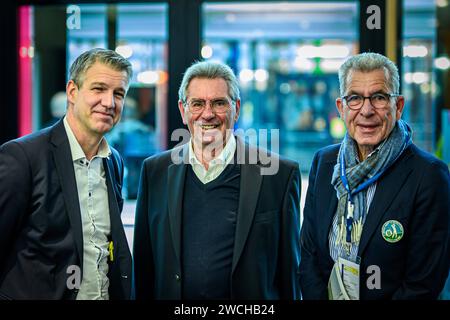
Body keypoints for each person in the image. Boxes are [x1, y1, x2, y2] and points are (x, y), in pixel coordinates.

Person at [133, 61, 301, 300]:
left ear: (237, 108)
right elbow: (143, 268)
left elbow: (289, 277)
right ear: (183, 110)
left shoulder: (279, 175)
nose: (208, 113)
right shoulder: (155, 172)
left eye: (219, 103)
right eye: (197, 104)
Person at [299, 52, 450, 300]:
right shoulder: (324, 163)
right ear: (341, 107)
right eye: (355, 98)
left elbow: (423, 283)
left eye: (379, 97)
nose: (366, 111)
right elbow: (309, 254)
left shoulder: (428, 175)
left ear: (398, 106)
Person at [0, 48, 133, 300]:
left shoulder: (113, 161)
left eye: (118, 93)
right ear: (72, 91)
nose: (109, 102)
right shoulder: (23, 157)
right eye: (98, 89)